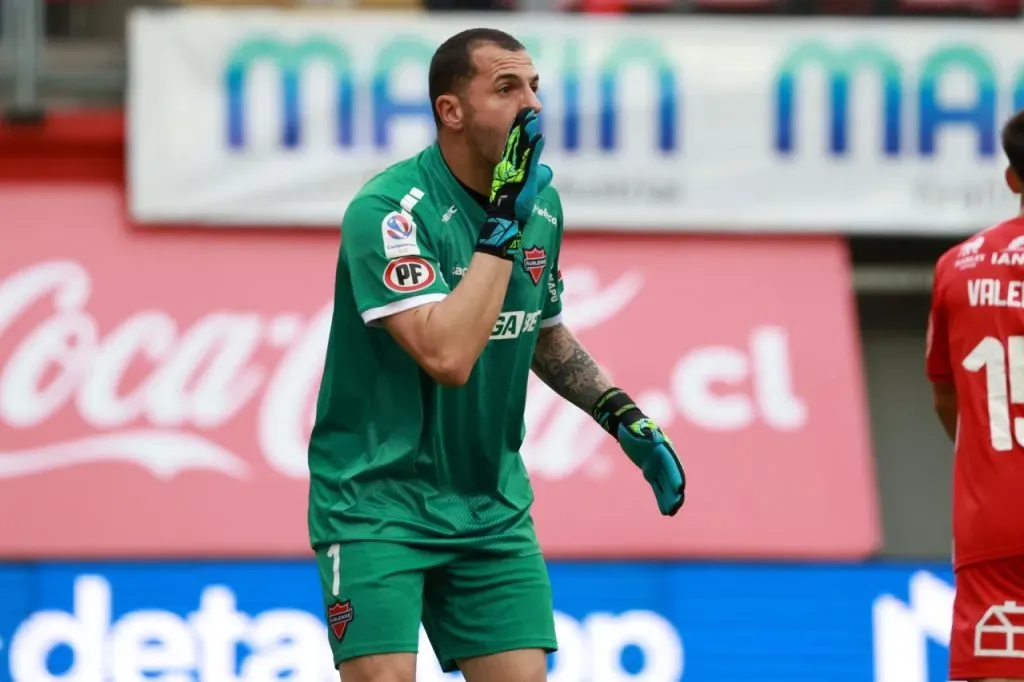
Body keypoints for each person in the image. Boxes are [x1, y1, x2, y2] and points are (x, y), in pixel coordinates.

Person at [306, 28, 686, 682]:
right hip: (376, 502)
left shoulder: (542, 206)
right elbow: (448, 354)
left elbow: (538, 330)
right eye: (507, 88)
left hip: (488, 504)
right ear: (450, 111)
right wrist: (504, 215)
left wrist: (620, 415)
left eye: (535, 86)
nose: (531, 105)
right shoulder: (387, 212)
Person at [927, 108, 1024, 682]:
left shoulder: (956, 267)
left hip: (995, 518)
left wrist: (992, 459)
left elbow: (946, 400)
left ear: (1012, 178)